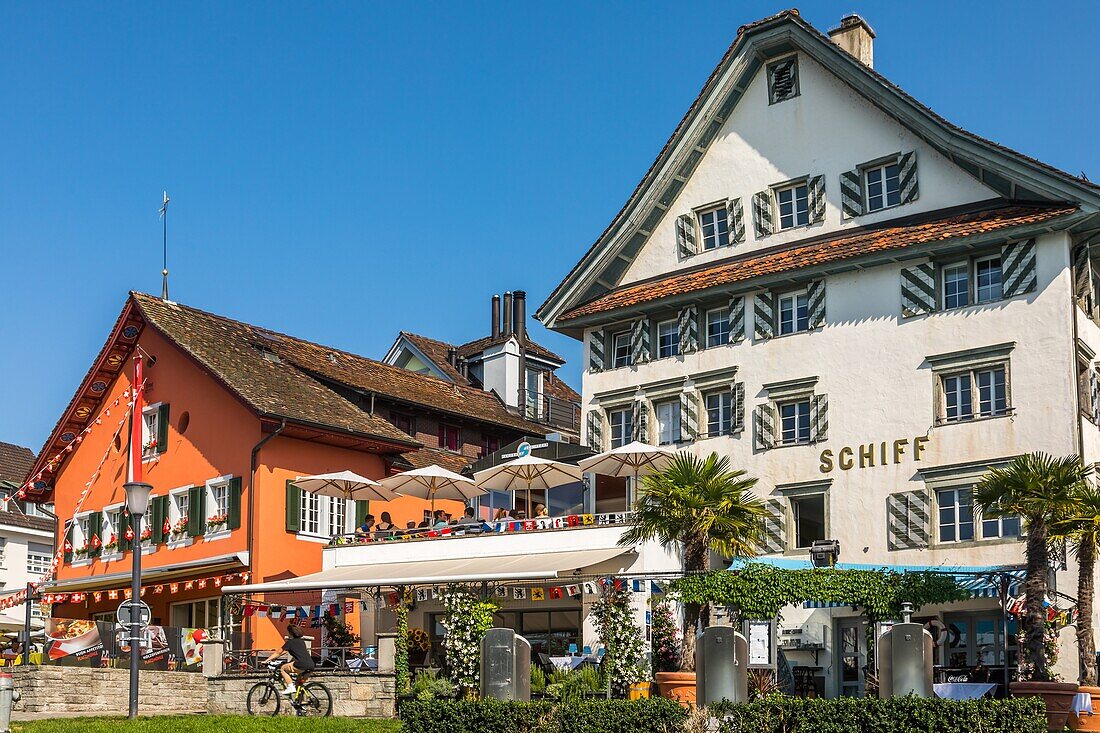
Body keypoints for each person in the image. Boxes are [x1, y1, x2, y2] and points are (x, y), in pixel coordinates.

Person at [264, 625, 316, 696]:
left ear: (290, 633)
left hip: (301, 665)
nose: (286, 633)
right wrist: (275, 658)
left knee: (282, 668)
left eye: (287, 632)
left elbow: (278, 652)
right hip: (311, 665)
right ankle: (301, 703)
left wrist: (266, 660)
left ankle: (290, 686)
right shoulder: (301, 641)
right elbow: (286, 651)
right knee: (299, 685)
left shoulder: (290, 642)